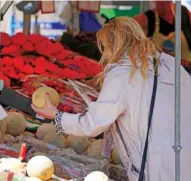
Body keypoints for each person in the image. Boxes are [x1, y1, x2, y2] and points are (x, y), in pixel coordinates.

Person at [31, 17, 191, 181]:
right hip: (184, 158)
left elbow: (93, 124)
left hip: (155, 166)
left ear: (112, 46)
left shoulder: (123, 74)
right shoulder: (172, 66)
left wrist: (56, 116)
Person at [134, 1, 191, 73]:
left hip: (187, 72)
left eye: (164, 1)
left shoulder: (185, 13)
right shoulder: (144, 19)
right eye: (157, 1)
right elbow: (131, 46)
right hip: (159, 75)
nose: (160, 4)